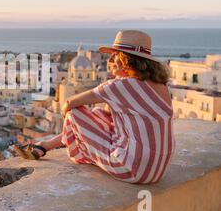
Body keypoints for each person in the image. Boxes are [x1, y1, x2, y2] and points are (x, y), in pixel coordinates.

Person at [15, 30, 174, 184]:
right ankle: (44, 146)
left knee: (75, 112)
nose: (110, 59)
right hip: (157, 171)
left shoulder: (120, 85)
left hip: (131, 169)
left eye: (115, 55)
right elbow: (106, 115)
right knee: (100, 113)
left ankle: (46, 147)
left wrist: (73, 123)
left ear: (126, 60)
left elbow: (69, 104)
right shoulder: (161, 86)